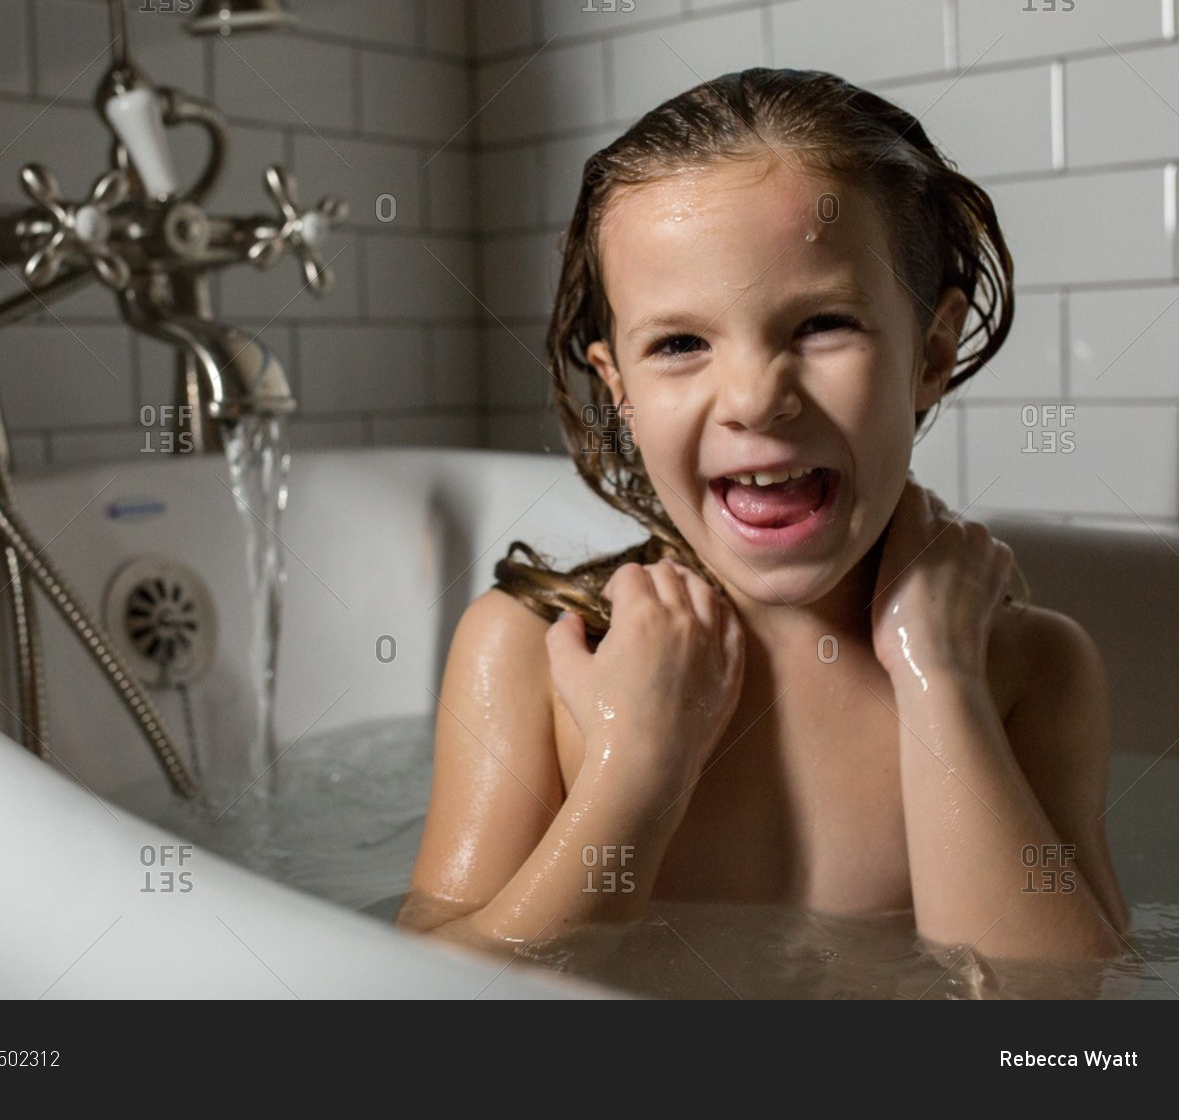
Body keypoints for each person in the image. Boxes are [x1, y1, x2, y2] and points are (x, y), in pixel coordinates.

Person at [395, 67, 1129, 965]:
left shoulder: (1026, 669)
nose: (753, 397)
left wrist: (940, 682)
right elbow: (422, 996)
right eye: (679, 344)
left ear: (931, 353)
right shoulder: (534, 657)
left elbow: (1061, 1028)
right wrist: (636, 767)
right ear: (619, 390)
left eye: (822, 324)